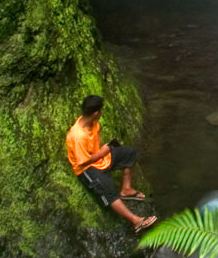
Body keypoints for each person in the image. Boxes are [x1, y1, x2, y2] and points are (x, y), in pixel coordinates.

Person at [65, 95, 157, 232]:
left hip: (100, 158)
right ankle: (136, 221)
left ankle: (126, 189)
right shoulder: (77, 136)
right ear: (96, 113)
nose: (101, 113)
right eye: (101, 110)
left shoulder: (94, 123)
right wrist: (104, 151)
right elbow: (83, 161)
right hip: (87, 168)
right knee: (109, 191)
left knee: (129, 153)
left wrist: (105, 150)